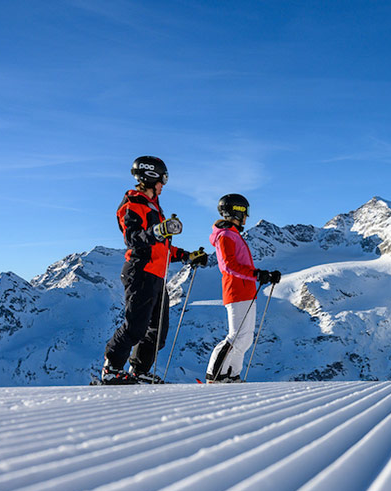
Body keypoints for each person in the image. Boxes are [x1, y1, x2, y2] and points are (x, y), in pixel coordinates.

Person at [102, 155, 207, 384]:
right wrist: (159, 230)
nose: (163, 185)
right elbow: (133, 239)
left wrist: (187, 256)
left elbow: (162, 247)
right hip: (140, 272)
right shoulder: (132, 204)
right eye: (162, 179)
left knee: (157, 332)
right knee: (135, 326)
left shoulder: (154, 207)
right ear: (150, 177)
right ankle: (111, 368)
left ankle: (138, 371)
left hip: (157, 275)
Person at [206, 193, 279, 383]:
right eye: (245, 213)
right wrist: (256, 275)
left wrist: (266, 275)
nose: (247, 217)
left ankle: (231, 374)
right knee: (235, 335)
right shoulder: (225, 236)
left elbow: (242, 266)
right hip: (236, 290)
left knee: (245, 339)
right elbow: (228, 266)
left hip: (246, 291)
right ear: (237, 212)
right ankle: (215, 375)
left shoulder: (234, 235)